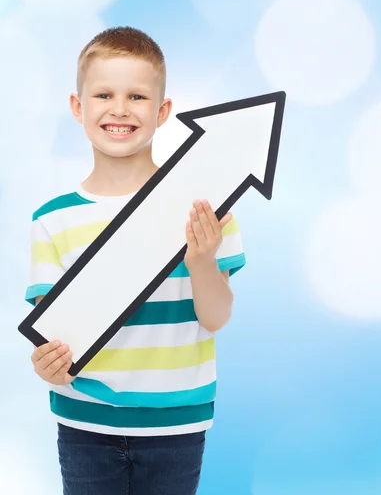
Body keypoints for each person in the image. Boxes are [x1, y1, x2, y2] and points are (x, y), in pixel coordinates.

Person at [25, 26, 245, 495]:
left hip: (175, 423)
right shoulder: (53, 220)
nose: (120, 109)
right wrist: (48, 363)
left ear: (163, 111)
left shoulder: (204, 205)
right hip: (84, 422)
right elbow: (52, 336)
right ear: (78, 107)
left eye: (137, 97)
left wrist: (203, 260)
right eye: (104, 94)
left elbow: (217, 316)